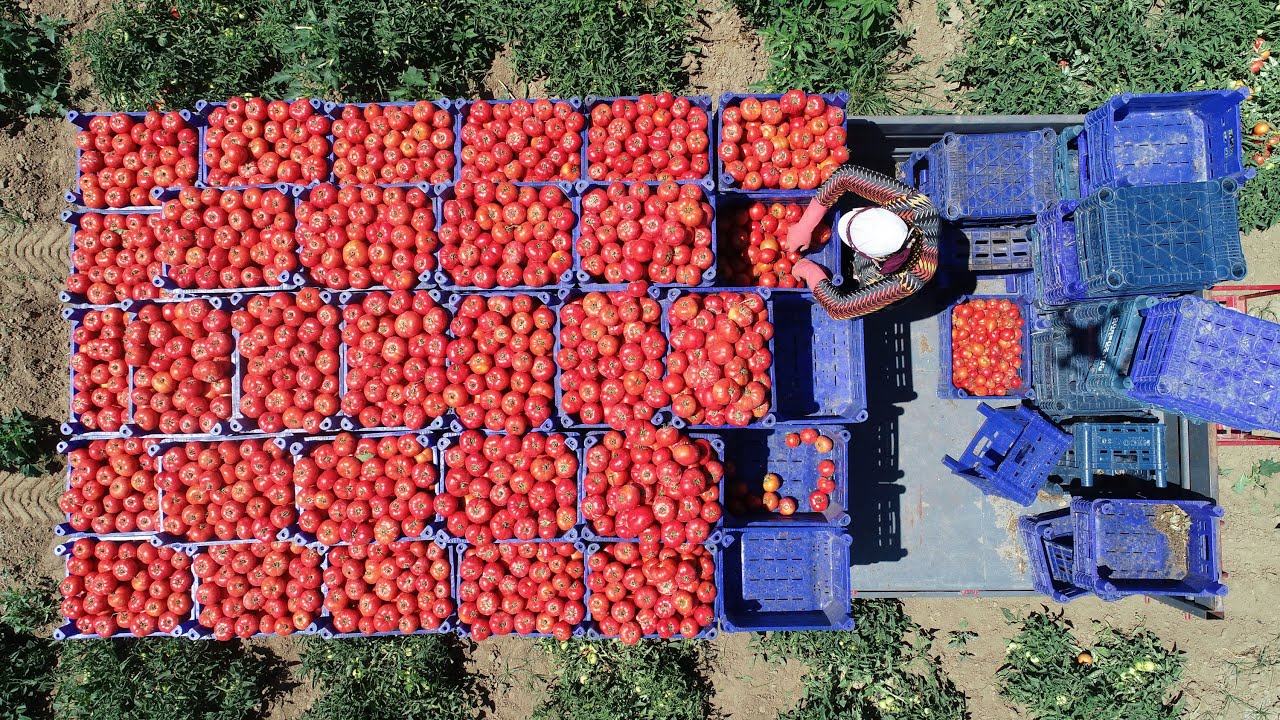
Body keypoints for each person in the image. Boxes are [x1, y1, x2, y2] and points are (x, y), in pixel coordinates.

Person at [783, 163, 940, 320]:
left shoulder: (910, 279)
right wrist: (806, 224)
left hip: (882, 283)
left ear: (877, 258)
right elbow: (845, 175)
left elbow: (839, 309)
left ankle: (858, 276)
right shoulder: (919, 207)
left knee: (868, 297)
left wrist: (810, 271)